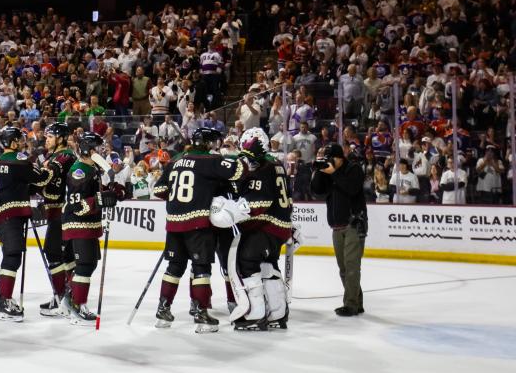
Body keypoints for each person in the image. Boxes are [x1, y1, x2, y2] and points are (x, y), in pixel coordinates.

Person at [151, 128, 249, 332]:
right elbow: (240, 171)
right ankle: (201, 314)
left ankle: (163, 311)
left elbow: (159, 190)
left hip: (173, 223)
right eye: (214, 143)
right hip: (198, 224)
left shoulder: (176, 160)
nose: (216, 147)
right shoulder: (210, 161)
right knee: (201, 268)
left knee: (174, 268)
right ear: (207, 143)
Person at [226, 129, 295, 331]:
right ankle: (278, 313)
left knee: (247, 260)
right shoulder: (277, 164)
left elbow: (260, 201)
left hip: (265, 225)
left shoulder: (262, 166)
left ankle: (254, 314)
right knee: (268, 265)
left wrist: (235, 210)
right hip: (281, 225)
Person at [0, 126, 52, 321]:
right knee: (12, 256)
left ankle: (2, 298)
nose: (22, 143)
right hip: (11, 214)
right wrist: (49, 167)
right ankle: (4, 301)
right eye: (19, 140)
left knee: (11, 255)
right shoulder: (19, 160)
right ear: (12, 142)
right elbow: (42, 179)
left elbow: (17, 182)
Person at [62, 132, 124, 325]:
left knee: (90, 264)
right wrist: (101, 199)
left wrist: (113, 190)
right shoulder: (79, 170)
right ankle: (78, 305)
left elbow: (99, 194)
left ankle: (69, 300)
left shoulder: (93, 169)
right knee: (86, 265)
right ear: (88, 149)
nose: (100, 151)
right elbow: (76, 204)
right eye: (96, 148)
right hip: (78, 223)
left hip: (88, 224)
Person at [311, 142, 367, 317]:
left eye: (331, 158)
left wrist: (334, 173)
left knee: (351, 267)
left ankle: (350, 305)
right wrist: (319, 172)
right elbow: (316, 192)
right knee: (343, 268)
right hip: (336, 227)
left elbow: (352, 189)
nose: (330, 162)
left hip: (353, 224)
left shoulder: (354, 169)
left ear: (340, 158)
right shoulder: (329, 173)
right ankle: (357, 302)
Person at [37, 122, 77, 316]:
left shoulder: (65, 156)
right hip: (56, 212)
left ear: (60, 138)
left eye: (50, 136)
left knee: (53, 253)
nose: (47, 140)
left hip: (63, 212)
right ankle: (66, 297)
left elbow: (45, 176)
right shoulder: (54, 156)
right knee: (65, 256)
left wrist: (22, 171)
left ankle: (63, 298)